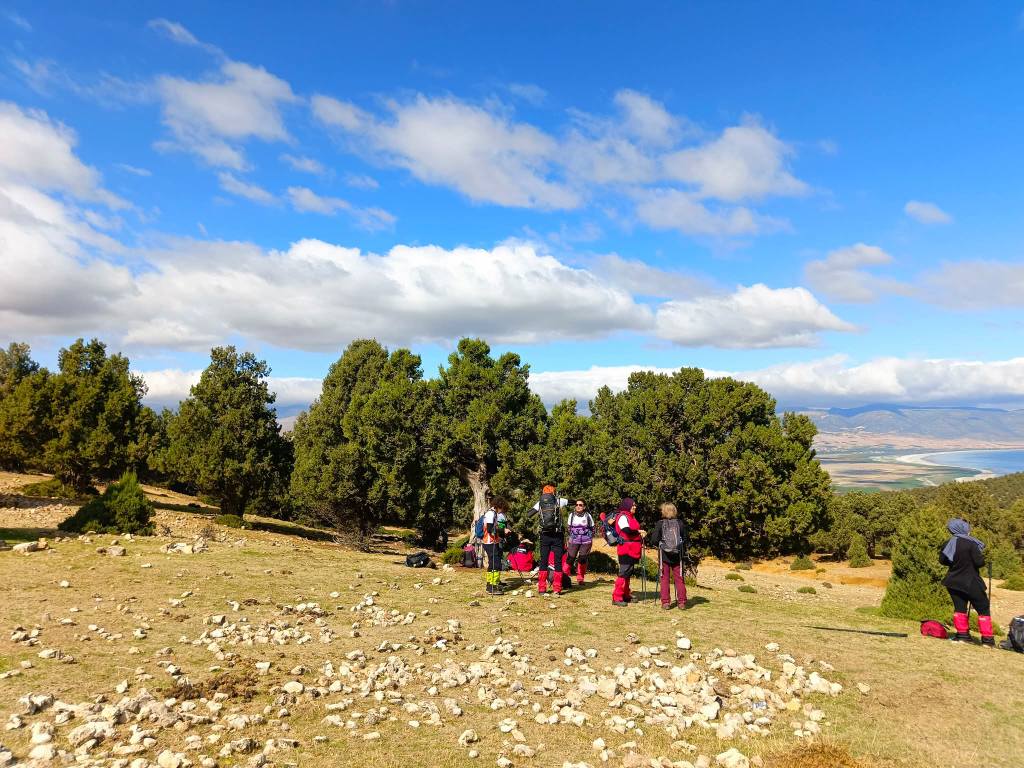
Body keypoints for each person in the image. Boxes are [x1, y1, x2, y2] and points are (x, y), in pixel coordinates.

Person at [939, 518, 993, 646]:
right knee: (983, 608)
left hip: (953, 581)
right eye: (967, 528)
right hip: (971, 582)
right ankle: (987, 640)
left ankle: (963, 636)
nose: (969, 531)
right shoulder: (971, 544)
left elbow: (943, 560)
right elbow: (979, 563)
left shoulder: (948, 543)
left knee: (959, 608)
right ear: (962, 528)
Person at [531, 483, 568, 595]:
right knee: (557, 562)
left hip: (545, 535)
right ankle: (557, 588)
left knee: (543, 561)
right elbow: (573, 502)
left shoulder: (540, 503)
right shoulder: (559, 500)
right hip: (557, 535)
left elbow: (529, 514)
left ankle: (542, 588)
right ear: (554, 492)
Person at [648, 502, 687, 609]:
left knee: (664, 578)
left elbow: (654, 540)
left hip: (664, 555)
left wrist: (660, 544)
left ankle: (666, 602)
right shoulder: (680, 523)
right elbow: (685, 539)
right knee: (679, 578)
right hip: (677, 555)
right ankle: (682, 602)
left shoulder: (660, 523)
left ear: (664, 511)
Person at [608, 498, 644, 607]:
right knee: (623, 572)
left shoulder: (631, 516)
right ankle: (617, 596)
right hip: (626, 548)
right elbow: (626, 530)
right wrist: (639, 531)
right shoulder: (623, 516)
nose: (635, 507)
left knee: (629, 572)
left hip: (633, 548)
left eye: (635, 505)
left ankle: (626, 594)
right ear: (627, 506)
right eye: (632, 505)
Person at [481, 496, 509, 595]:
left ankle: (491, 584)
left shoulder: (494, 513)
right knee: (495, 564)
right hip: (489, 542)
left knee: (494, 564)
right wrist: (502, 530)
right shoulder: (490, 514)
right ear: (499, 506)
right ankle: (491, 586)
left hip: (494, 541)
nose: (502, 511)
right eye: (502, 508)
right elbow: (489, 529)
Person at [566, 499, 596, 586]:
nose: (578, 506)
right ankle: (564, 576)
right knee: (570, 558)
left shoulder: (588, 516)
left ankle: (580, 579)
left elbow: (592, 528)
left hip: (586, 541)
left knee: (582, 559)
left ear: (584, 507)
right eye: (577, 504)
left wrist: (588, 537)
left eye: (580, 505)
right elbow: (569, 528)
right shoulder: (571, 515)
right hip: (574, 540)